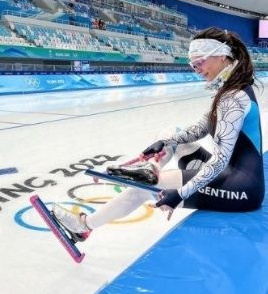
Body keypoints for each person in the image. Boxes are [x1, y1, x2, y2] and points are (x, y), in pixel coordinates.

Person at [53, 27, 265, 235]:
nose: (197, 69)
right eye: (193, 65)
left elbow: (219, 162)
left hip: (242, 188)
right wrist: (164, 143)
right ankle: (151, 169)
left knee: (143, 189)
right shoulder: (227, 88)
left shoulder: (233, 98)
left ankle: (84, 227)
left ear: (221, 55)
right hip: (231, 172)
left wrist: (180, 194)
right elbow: (200, 129)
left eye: (200, 62)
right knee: (169, 132)